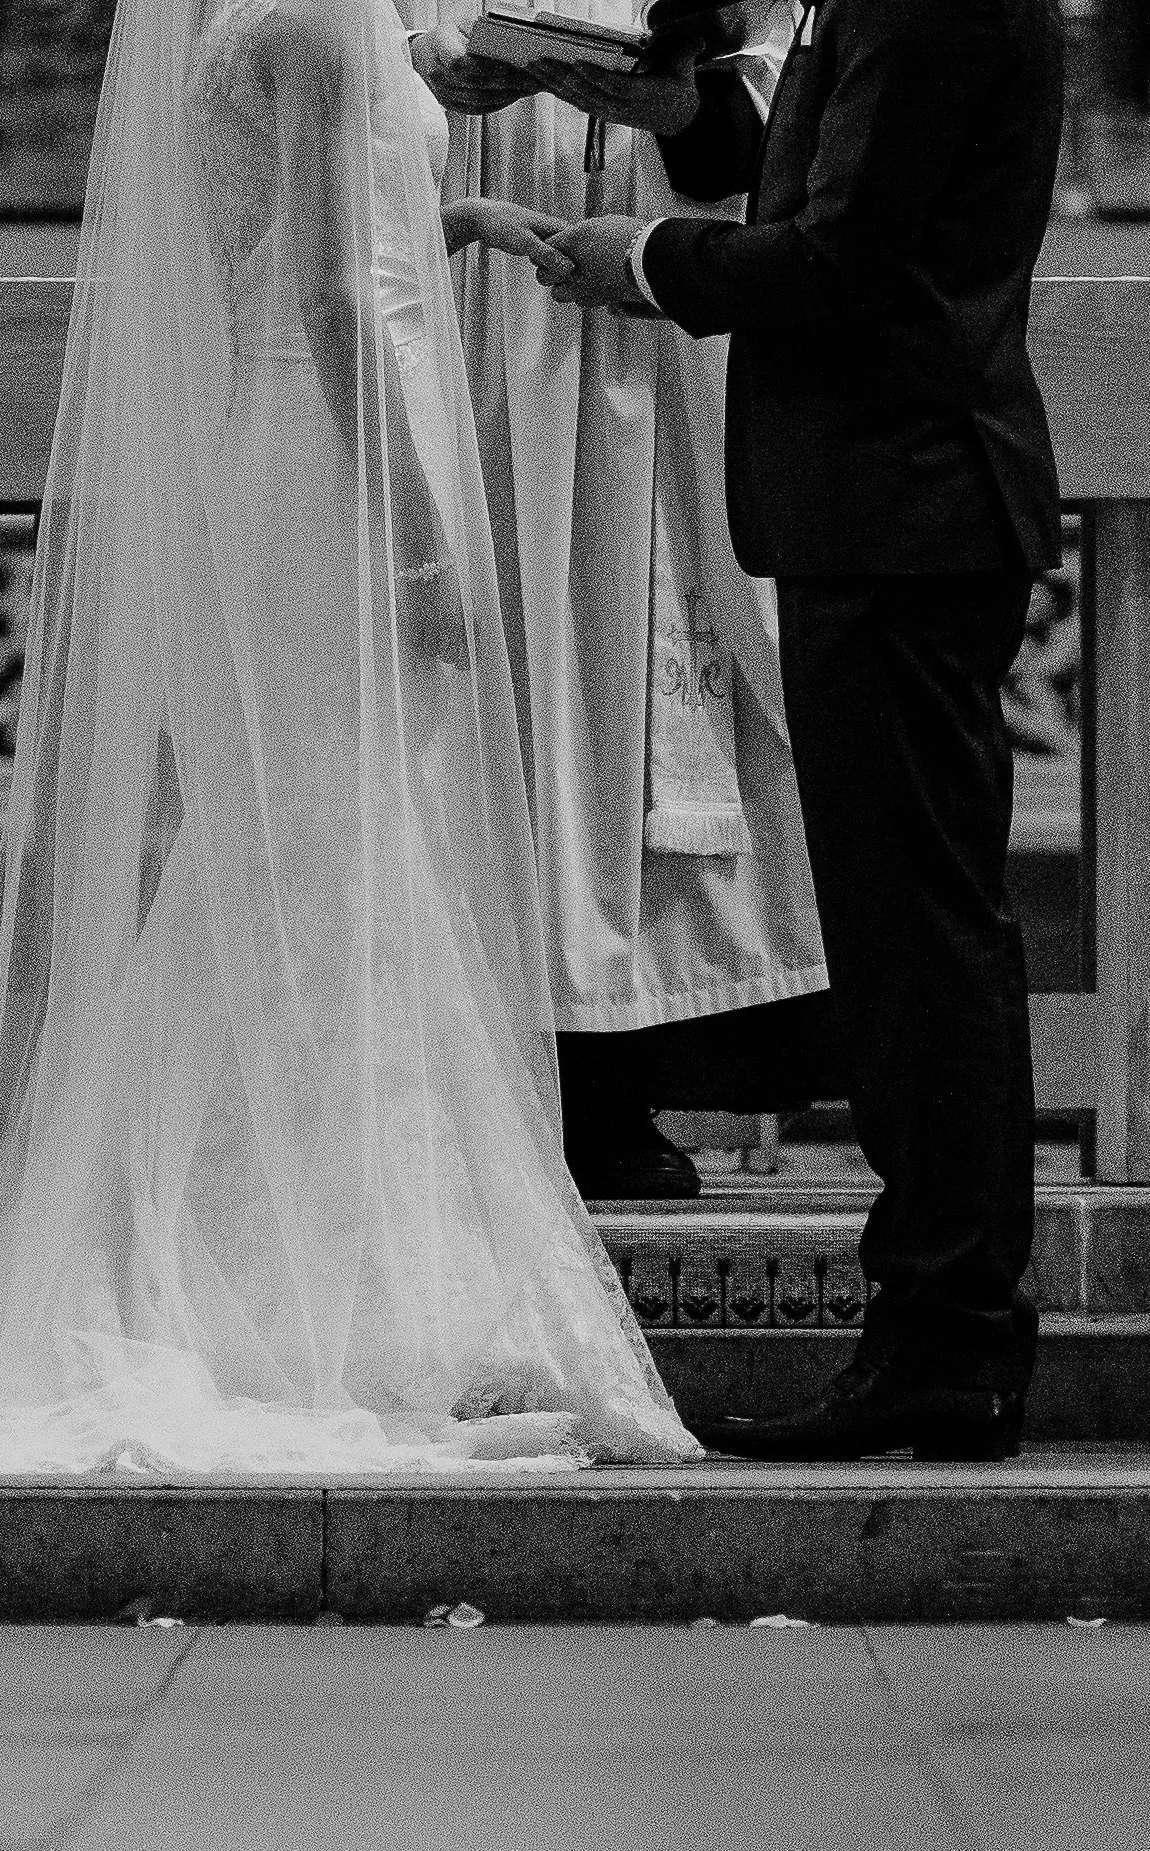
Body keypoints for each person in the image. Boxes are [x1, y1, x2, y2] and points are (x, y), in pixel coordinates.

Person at [0, 0, 689, 1476]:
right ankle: (350, 1296)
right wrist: (419, 542)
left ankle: (354, 1264)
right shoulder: (317, 18)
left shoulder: (280, 18)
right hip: (348, 468)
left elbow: (326, 192)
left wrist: (455, 208)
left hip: (306, 445)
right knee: (339, 860)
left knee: (317, 861)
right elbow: (339, 299)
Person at [494, 0, 1070, 1464]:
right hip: (882, 513)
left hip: (903, 508)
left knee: (921, 942)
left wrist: (638, 263)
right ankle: (941, 1336)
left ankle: (948, 1338)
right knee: (908, 939)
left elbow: (843, 258)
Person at [420, 0, 837, 1206]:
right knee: (482, 638)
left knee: (627, 634)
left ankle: (611, 1071)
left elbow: (790, 61)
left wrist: (689, 105)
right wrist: (423, 73)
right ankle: (443, 1071)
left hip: (671, 281)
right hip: (464, 277)